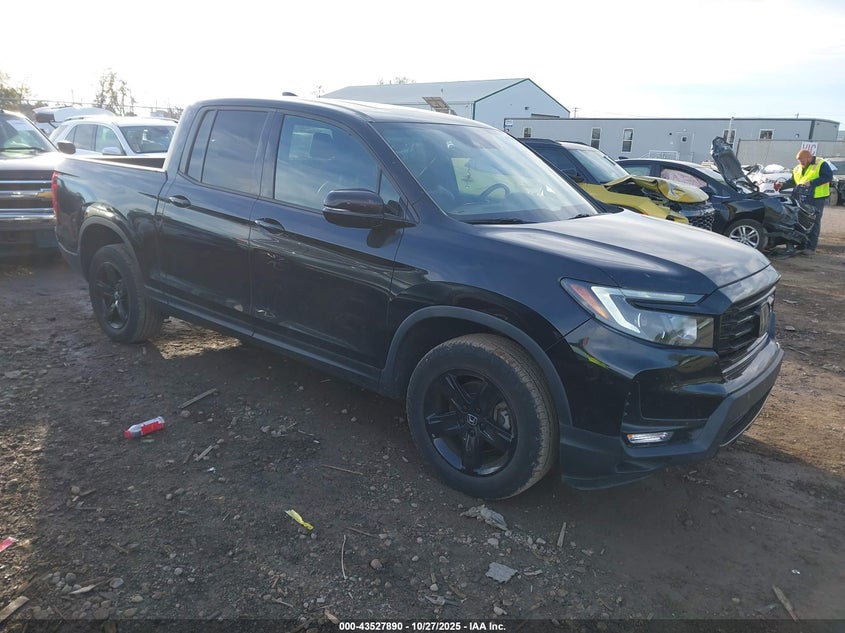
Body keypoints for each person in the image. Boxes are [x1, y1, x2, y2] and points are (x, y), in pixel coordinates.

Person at [774, 149, 833, 255]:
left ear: (809, 158)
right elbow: (793, 181)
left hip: (817, 197)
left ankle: (811, 247)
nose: (802, 164)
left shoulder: (821, 163)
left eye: (803, 161)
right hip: (803, 197)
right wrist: (782, 185)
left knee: (814, 221)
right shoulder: (797, 168)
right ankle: (802, 244)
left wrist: (812, 183)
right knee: (801, 221)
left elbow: (828, 177)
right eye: (800, 161)